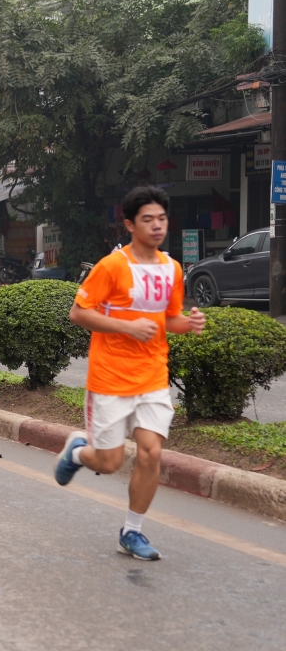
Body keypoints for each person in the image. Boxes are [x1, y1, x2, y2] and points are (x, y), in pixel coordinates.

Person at [56, 186, 205, 561]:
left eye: (162, 219)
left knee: (152, 453)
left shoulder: (171, 268)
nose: (157, 226)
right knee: (109, 463)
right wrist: (127, 327)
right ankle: (77, 452)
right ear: (129, 224)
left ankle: (132, 532)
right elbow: (78, 313)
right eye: (148, 219)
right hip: (110, 377)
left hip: (153, 376)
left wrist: (188, 324)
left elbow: (167, 318)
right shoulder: (112, 266)